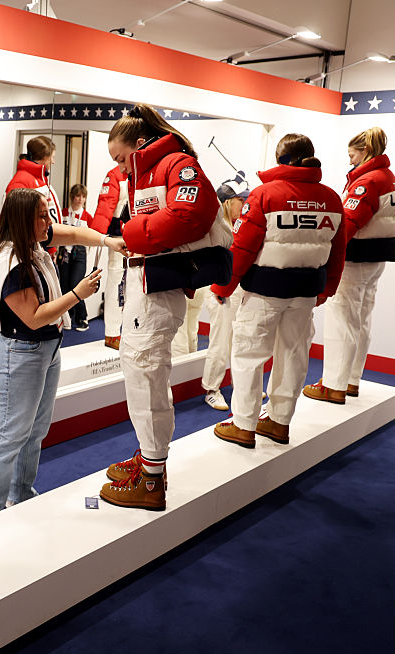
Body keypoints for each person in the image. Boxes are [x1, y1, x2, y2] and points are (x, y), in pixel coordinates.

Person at [99, 104, 230, 511]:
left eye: (120, 158)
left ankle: (152, 478)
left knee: (146, 372)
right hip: (147, 281)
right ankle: (149, 459)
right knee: (139, 369)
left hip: (158, 285)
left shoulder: (177, 164)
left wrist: (131, 232)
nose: (119, 168)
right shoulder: (149, 172)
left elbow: (190, 215)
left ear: (139, 144)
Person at [0, 188, 121, 520]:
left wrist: (107, 241)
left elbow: (74, 234)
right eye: (43, 216)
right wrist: (77, 294)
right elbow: (34, 317)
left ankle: (21, 494)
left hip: (44, 349)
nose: (49, 222)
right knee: (11, 435)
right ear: (23, 219)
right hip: (20, 353)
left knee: (34, 430)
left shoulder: (29, 239)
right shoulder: (12, 261)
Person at [212, 134, 346, 448]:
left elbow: (242, 248)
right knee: (294, 355)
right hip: (305, 294)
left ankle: (243, 425)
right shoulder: (331, 199)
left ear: (281, 160)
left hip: (263, 292)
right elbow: (338, 252)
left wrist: (223, 286)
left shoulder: (264, 195)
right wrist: (327, 290)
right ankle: (278, 422)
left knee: (249, 354)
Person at [304, 127, 395, 404]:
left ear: (365, 151)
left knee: (342, 319)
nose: (350, 160)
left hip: (356, 258)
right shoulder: (387, 177)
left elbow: (348, 223)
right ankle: (350, 380)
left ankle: (333, 385)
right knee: (361, 318)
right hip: (375, 258)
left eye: (352, 155)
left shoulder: (367, 181)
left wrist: (326, 254)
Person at [200, 173, 251, 411]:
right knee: (220, 342)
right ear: (229, 201)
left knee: (240, 342)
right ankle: (211, 388)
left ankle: (238, 385)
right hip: (219, 290)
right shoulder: (215, 225)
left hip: (238, 289)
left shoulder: (241, 224)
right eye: (241, 199)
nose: (245, 204)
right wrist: (219, 289)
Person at [91, 165, 129, 350]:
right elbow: (105, 205)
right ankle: (113, 333)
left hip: (142, 237)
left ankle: (129, 332)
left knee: (137, 287)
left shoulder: (148, 170)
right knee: (116, 284)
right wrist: (97, 236)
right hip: (119, 239)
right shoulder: (115, 175)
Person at [58, 183, 94, 332]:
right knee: (64, 286)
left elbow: (92, 236)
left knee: (76, 285)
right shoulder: (63, 213)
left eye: (83, 197)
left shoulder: (87, 217)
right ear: (72, 197)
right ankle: (67, 317)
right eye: (78, 196)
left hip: (79, 252)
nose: (80, 199)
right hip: (65, 252)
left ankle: (83, 317)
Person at [6, 135, 61, 226]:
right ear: (44, 157)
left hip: (48, 234)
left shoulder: (41, 178)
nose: (53, 162)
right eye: (52, 157)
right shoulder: (19, 183)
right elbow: (17, 224)